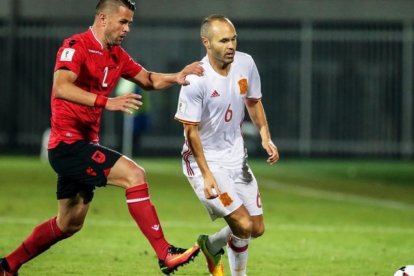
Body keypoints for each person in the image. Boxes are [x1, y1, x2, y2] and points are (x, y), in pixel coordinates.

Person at [0, 1, 204, 275]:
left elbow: (149, 80)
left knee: (68, 223)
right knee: (135, 175)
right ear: (103, 18)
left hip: (83, 145)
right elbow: (61, 87)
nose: (127, 29)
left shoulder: (117, 55)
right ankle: (165, 253)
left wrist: (177, 76)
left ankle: (7, 265)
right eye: (123, 22)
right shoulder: (76, 45)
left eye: (130, 23)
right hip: (68, 145)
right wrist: (106, 102)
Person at [174, 15, 279, 276]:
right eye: (223, 40)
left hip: (236, 159)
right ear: (206, 42)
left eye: (233, 39)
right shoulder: (196, 79)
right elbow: (191, 131)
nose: (231, 45)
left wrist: (266, 136)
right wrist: (207, 175)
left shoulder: (246, 63)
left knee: (257, 228)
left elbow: (253, 101)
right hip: (205, 162)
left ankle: (210, 246)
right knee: (242, 225)